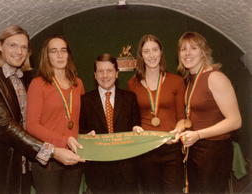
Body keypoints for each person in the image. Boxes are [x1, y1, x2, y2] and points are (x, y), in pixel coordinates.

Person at [0, 25, 84, 194]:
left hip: (24, 162)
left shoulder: (22, 77)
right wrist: (51, 150)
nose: (19, 51)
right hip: (2, 166)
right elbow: (6, 126)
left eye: (23, 47)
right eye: (12, 45)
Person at [177, 31, 242, 193]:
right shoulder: (191, 80)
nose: (187, 53)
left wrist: (198, 134)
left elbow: (235, 121)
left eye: (193, 48)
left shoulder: (215, 77)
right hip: (196, 149)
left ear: (203, 52)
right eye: (183, 49)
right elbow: (195, 117)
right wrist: (181, 126)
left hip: (215, 151)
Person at [26, 35, 85, 194]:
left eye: (63, 50)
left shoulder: (77, 83)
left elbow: (79, 118)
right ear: (47, 56)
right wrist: (63, 140)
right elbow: (31, 126)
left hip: (73, 156)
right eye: (54, 51)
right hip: (47, 157)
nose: (59, 55)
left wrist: (87, 133)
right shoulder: (38, 84)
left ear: (68, 54)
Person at [127, 34, 186, 194]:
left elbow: (182, 118)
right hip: (146, 148)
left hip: (171, 147)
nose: (151, 55)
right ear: (141, 55)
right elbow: (133, 119)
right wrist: (135, 127)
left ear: (161, 52)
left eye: (155, 50)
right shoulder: (132, 84)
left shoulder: (177, 81)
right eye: (146, 51)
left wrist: (178, 130)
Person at [79, 53, 141, 194]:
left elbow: (136, 126)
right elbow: (80, 132)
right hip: (98, 173)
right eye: (101, 71)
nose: (105, 75)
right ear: (95, 75)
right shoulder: (85, 101)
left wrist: (137, 130)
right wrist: (85, 136)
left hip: (127, 172)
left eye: (109, 71)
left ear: (117, 73)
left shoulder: (130, 99)